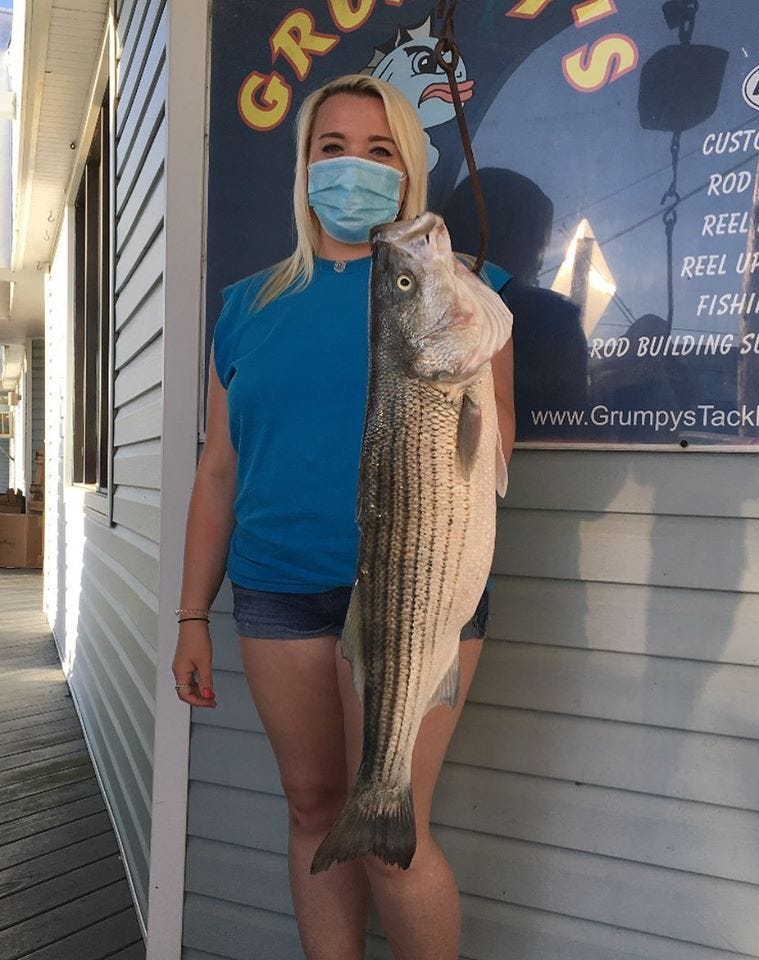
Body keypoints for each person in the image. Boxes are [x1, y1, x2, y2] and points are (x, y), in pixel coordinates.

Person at [172, 73, 515, 960]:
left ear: (408, 171)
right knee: (313, 809)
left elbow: (492, 451)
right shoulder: (245, 307)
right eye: (332, 148)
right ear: (304, 165)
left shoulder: (467, 296)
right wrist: (191, 615)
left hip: (422, 592)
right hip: (278, 593)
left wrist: (458, 314)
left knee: (398, 840)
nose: (352, 166)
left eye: (379, 149)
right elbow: (218, 471)